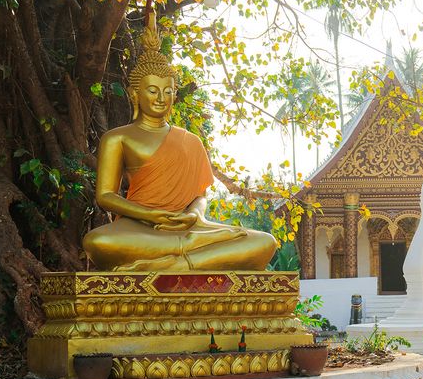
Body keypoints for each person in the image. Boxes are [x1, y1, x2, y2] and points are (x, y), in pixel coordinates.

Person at [82, 15, 277, 271]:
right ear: (135, 94)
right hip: (138, 225)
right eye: (153, 91)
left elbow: (199, 196)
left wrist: (194, 215)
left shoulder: (190, 140)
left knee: (265, 242)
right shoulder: (118, 137)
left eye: (168, 91)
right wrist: (149, 214)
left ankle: (178, 262)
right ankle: (192, 254)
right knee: (97, 241)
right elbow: (106, 196)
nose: (161, 98)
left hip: (190, 227)